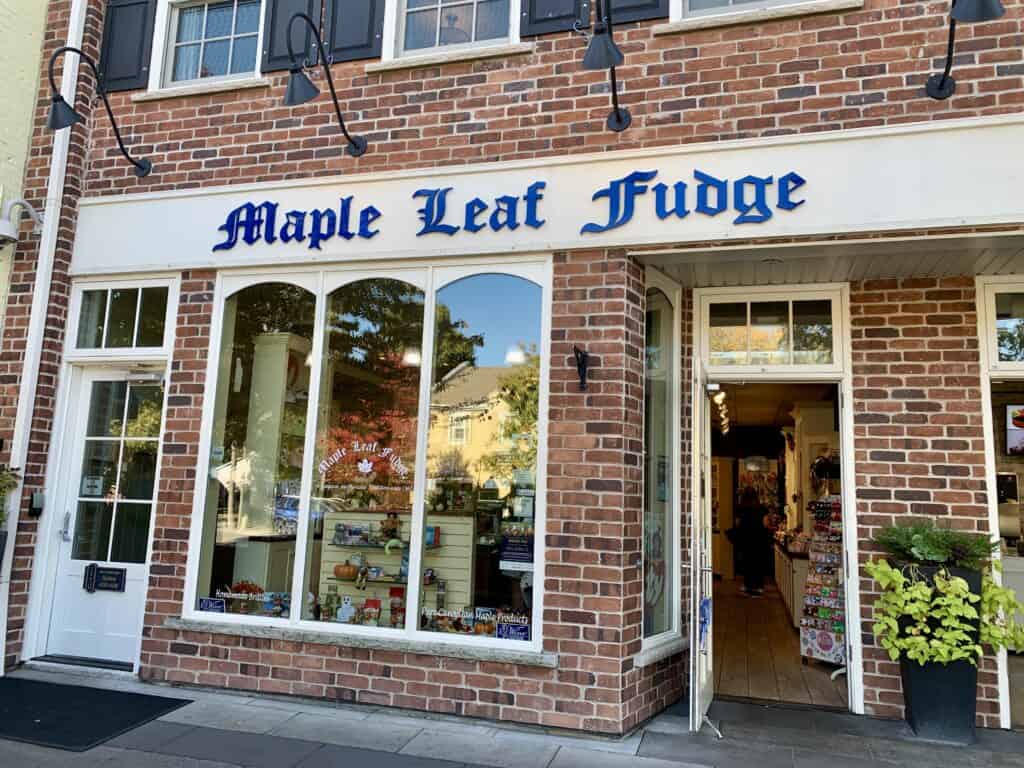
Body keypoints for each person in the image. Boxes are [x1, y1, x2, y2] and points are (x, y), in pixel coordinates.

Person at [735, 486, 770, 597]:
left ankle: (748, 585)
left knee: (747, 563)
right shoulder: (762, 508)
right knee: (758, 563)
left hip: (746, 540)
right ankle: (759, 587)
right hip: (759, 540)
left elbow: (737, 524)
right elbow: (765, 524)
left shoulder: (741, 508)